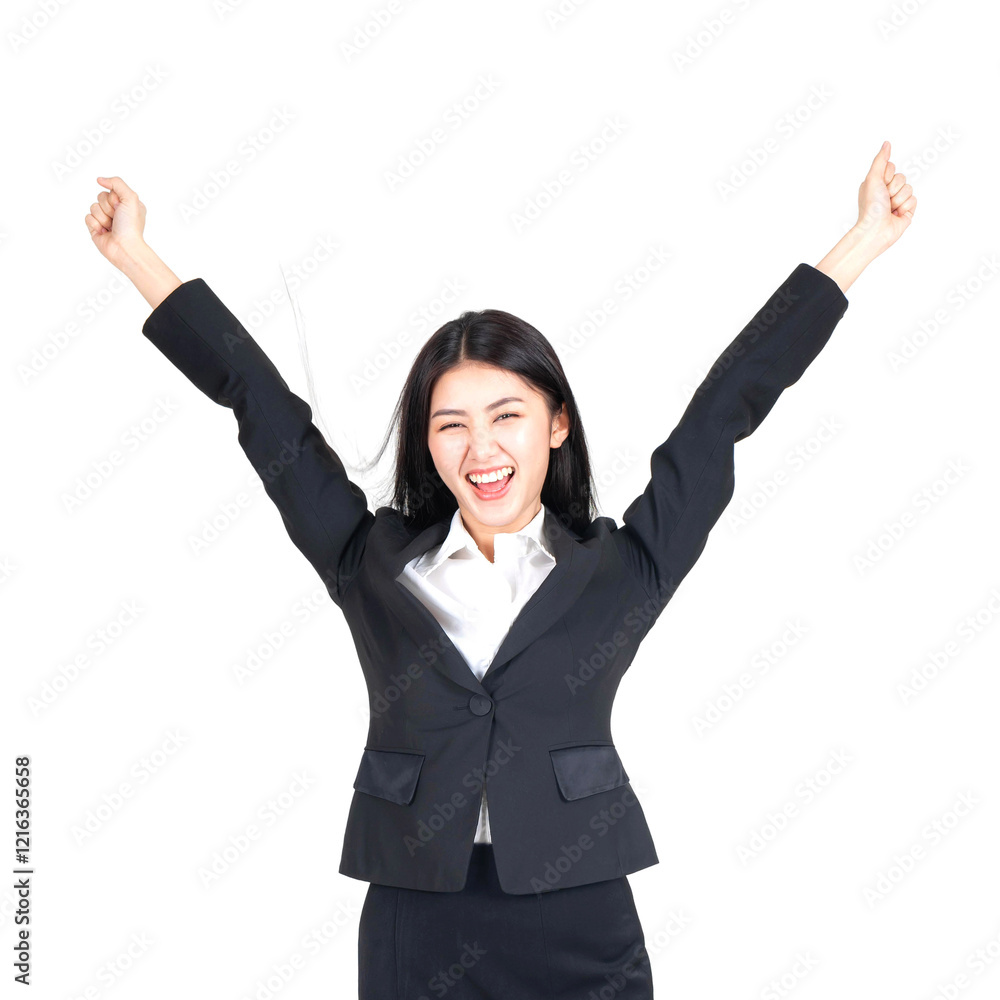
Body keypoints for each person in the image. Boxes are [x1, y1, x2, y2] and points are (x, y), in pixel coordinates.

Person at [84, 141, 915, 998]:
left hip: (581, 911)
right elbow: (258, 403)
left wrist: (859, 243)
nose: (480, 448)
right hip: (417, 913)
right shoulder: (365, 559)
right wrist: (137, 257)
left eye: (506, 415)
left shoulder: (626, 567)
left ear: (555, 425)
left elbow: (724, 412)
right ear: (427, 442)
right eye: (450, 424)